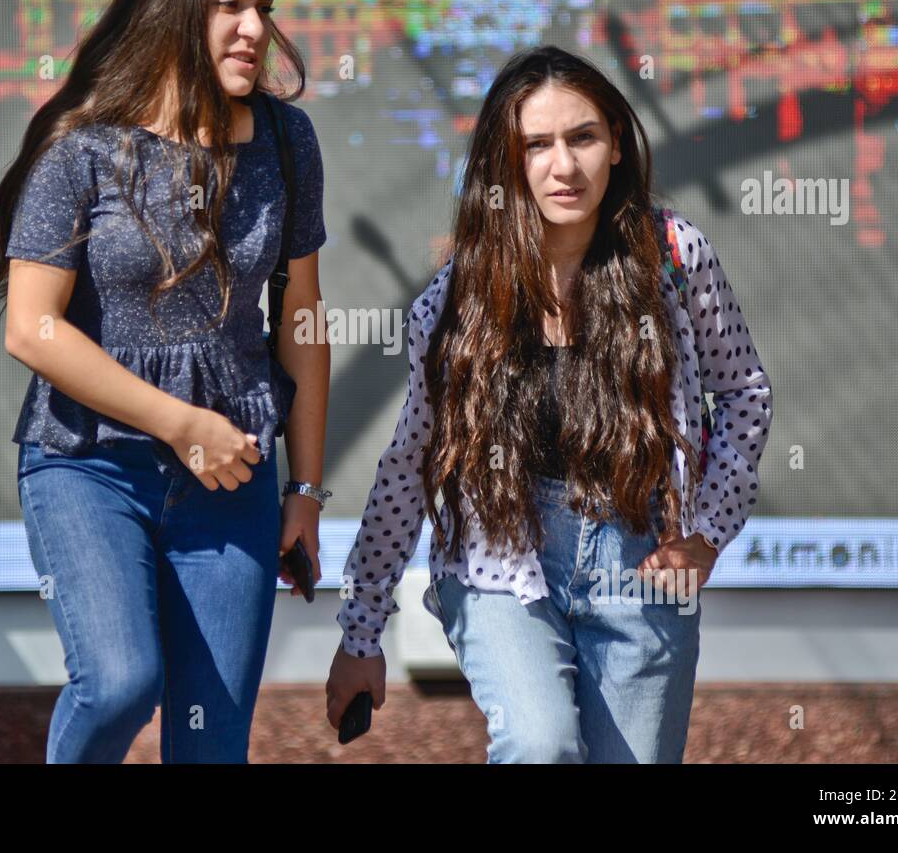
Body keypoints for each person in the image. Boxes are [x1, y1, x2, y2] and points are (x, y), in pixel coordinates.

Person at [325, 45, 772, 763]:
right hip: (502, 561)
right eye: (537, 144)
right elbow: (411, 462)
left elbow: (744, 393)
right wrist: (360, 632)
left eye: (583, 137)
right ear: (507, 161)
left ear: (618, 142)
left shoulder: (675, 259)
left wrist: (708, 535)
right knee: (539, 745)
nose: (564, 166)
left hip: (643, 557)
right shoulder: (457, 298)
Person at [0, 0, 331, 763]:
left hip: (233, 471)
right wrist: (180, 423)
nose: (257, 28)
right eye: (231, 4)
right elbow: (32, 328)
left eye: (265, 5)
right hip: (87, 462)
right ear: (174, 6)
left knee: (211, 745)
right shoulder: (82, 148)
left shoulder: (287, 141)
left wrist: (307, 489)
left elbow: (305, 319)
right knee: (121, 680)